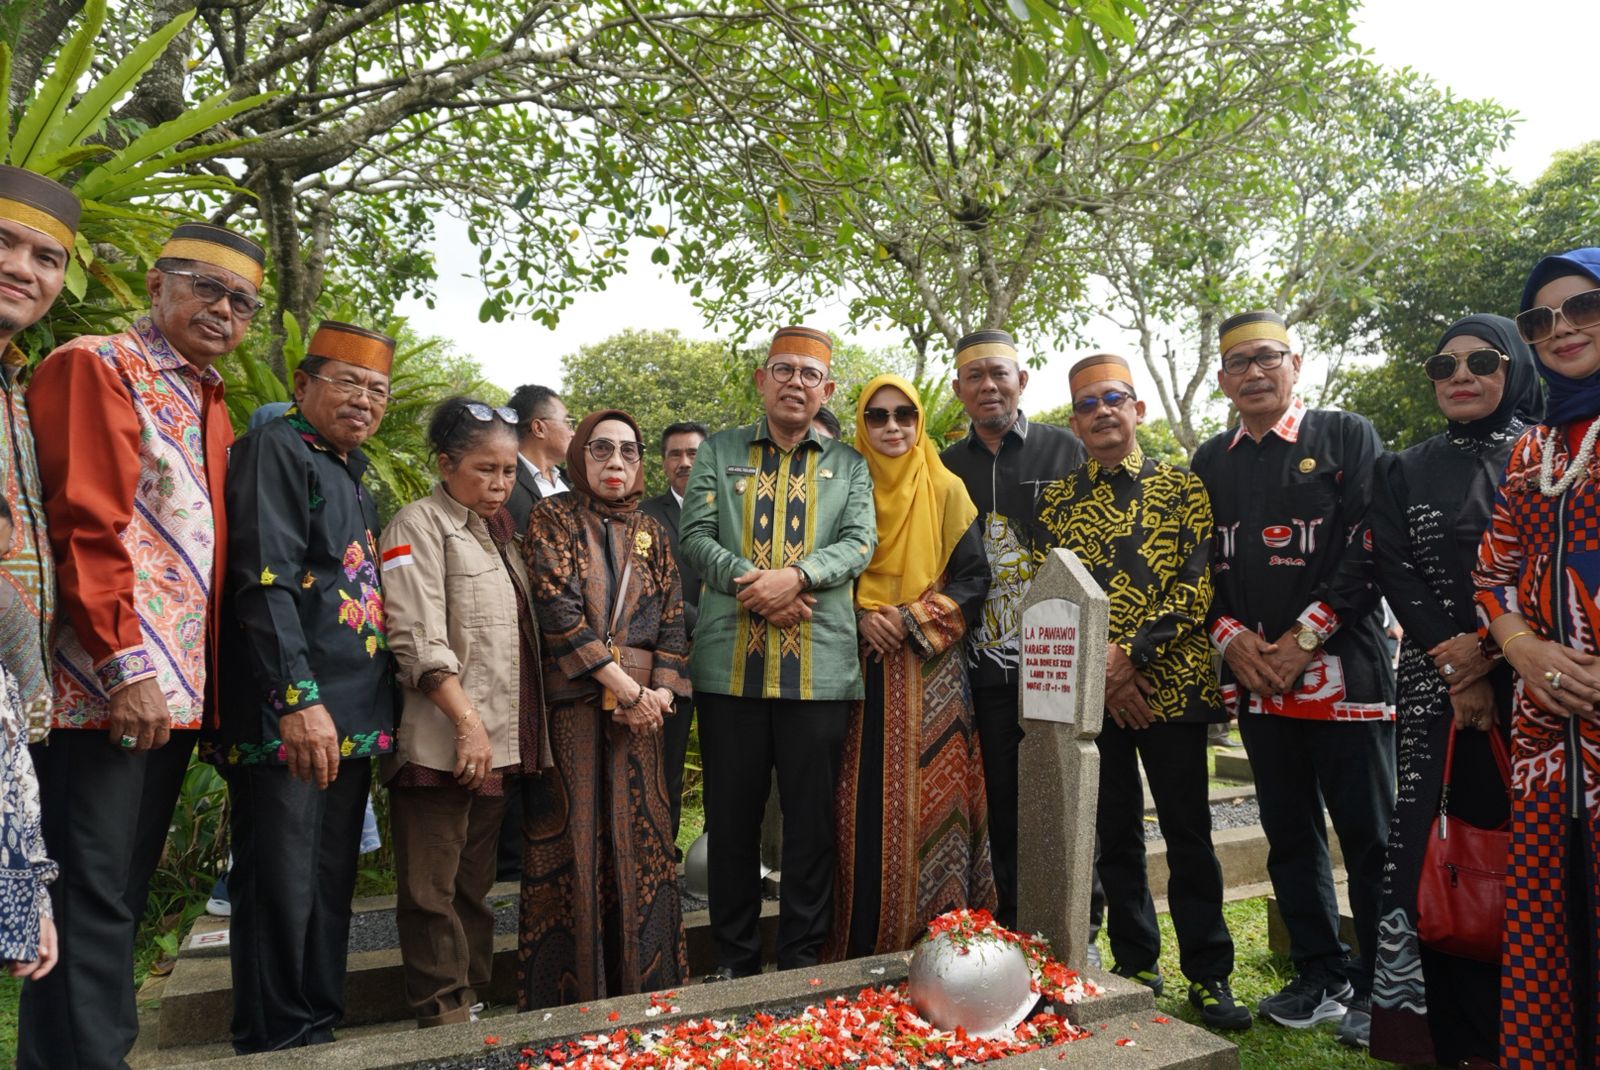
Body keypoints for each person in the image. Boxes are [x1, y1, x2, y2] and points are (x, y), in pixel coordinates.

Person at [20, 222, 261, 1070]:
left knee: (116, 893)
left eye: (243, 302)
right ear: (157, 285)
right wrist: (125, 668)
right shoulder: (99, 363)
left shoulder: (209, 398)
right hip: (103, 687)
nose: (224, 310)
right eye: (206, 287)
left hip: (175, 697)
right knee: (89, 894)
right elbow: (84, 523)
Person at [1191, 310, 1394, 1048]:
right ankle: (1320, 972)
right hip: (1258, 681)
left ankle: (1384, 986)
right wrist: (1231, 637)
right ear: (1221, 380)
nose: (1253, 372)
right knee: (1288, 834)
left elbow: (1372, 542)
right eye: (1237, 363)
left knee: (1371, 837)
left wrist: (1305, 637)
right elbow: (1195, 564)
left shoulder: (1345, 436)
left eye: (1267, 357)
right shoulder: (1210, 460)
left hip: (1343, 673)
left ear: (1295, 364)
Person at [1035, 354, 1248, 1031]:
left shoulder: (1182, 487)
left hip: (1171, 688)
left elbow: (1195, 583)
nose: (1102, 412)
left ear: (1138, 409)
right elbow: (1054, 599)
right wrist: (1103, 674)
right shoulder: (1056, 501)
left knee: (1188, 834)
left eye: (1114, 398)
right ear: (1074, 422)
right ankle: (1135, 963)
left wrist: (1131, 658)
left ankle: (1210, 974)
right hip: (1094, 695)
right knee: (1115, 834)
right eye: (1087, 404)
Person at [203, 321, 397, 1053]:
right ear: (302, 384)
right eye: (348, 383)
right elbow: (264, 581)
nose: (364, 400)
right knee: (280, 883)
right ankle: (275, 1040)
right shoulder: (275, 449)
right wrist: (298, 700)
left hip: (350, 716)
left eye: (377, 390)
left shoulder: (349, 469)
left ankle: (316, 1027)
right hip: (292, 712)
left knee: (327, 881)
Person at [1368, 315, 1541, 1065]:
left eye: (1482, 362)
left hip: (1534, 686)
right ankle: (1450, 1041)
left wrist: (1489, 653)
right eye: (1444, 366)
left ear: (1517, 369)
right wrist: (1455, 667)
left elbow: (1553, 565)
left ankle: (1533, 1030)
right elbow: (1393, 564)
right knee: (1440, 854)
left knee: (1528, 855)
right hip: (1434, 691)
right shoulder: (1403, 468)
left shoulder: (1552, 458)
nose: (1461, 376)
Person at [680, 325, 877, 977]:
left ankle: (799, 957)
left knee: (810, 823)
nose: (796, 383)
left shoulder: (849, 465)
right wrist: (755, 586)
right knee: (731, 821)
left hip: (819, 672)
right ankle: (735, 958)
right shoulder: (720, 451)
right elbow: (696, 536)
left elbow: (859, 543)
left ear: (828, 389)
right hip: (728, 670)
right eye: (783, 370)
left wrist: (796, 577)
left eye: (809, 374)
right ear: (762, 380)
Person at [1474, 247, 1600, 1070]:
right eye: (1540, 318)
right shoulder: (1533, 453)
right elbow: (1492, 575)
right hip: (1546, 735)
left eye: (1584, 307)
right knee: (1556, 935)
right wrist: (1522, 649)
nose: (1561, 329)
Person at [380, 397, 543, 1027]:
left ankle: (470, 997)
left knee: (473, 886)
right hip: (442, 740)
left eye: (509, 470)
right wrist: (467, 724)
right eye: (485, 469)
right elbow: (416, 638)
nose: (500, 484)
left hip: (496, 745)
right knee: (431, 889)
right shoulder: (416, 526)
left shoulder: (500, 535)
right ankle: (441, 1013)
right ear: (446, 465)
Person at [520, 409, 688, 1006]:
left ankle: (650, 991)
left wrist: (660, 693)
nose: (616, 463)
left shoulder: (652, 531)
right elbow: (558, 610)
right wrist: (623, 687)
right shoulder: (552, 518)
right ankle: (569, 998)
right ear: (579, 456)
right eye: (601, 449)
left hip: (644, 715)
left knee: (644, 840)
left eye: (628, 451)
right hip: (576, 710)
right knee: (574, 842)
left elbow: (673, 621)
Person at [824, 374, 994, 959]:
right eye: (877, 416)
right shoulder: (842, 489)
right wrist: (858, 615)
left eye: (904, 415)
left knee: (936, 810)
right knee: (850, 810)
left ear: (919, 422)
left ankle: (940, 950)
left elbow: (974, 579)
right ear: (861, 424)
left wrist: (909, 618)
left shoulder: (946, 488)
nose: (892, 426)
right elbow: (816, 569)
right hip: (849, 668)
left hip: (931, 677)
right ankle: (851, 948)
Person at [940, 328, 1084, 928]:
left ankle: (1080, 921)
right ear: (958, 390)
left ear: (1021, 381)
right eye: (974, 377)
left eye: (999, 373)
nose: (988, 386)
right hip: (983, 665)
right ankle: (1014, 921)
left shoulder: (1066, 450)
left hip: (1059, 660)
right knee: (1000, 794)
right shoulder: (945, 466)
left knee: (1067, 791)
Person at [639, 420, 708, 848]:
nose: (684, 462)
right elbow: (650, 586)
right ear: (663, 462)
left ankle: (721, 853)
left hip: (728, 656)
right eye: (675, 454)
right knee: (667, 760)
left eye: (694, 453)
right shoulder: (646, 515)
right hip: (669, 658)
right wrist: (704, 622)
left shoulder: (737, 510)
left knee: (729, 762)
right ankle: (661, 851)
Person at [506, 383, 573, 533]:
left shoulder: (572, 482)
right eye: (568, 423)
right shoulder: (504, 485)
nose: (572, 433)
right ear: (539, 428)